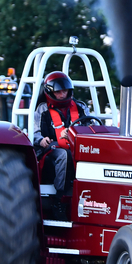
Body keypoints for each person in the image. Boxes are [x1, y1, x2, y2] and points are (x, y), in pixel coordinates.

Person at [33, 71, 90, 216]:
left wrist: (73, 133)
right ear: (50, 92)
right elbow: (34, 133)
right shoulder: (42, 109)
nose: (63, 94)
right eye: (59, 92)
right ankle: (59, 200)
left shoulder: (81, 107)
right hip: (51, 151)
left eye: (65, 90)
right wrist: (42, 140)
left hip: (79, 148)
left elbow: (91, 128)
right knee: (63, 155)